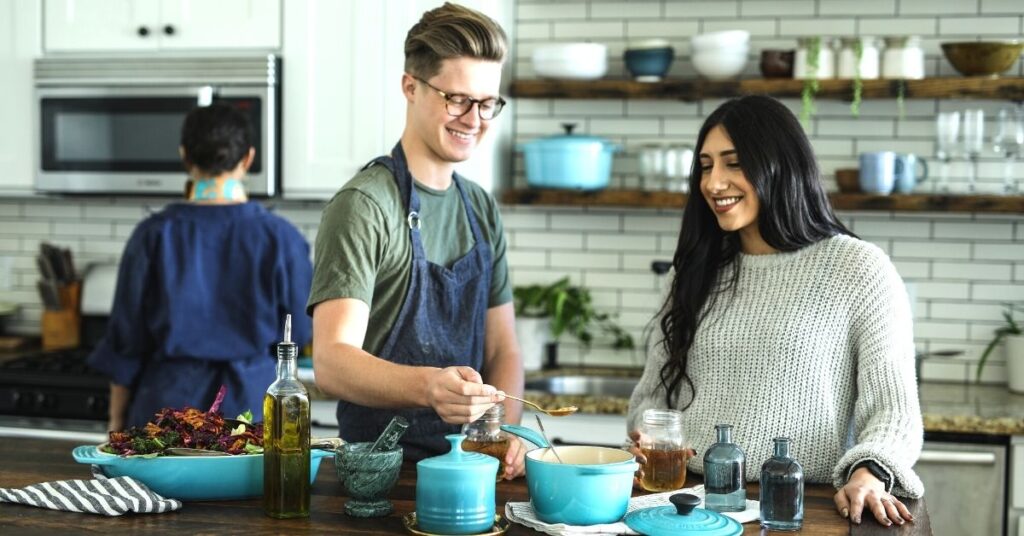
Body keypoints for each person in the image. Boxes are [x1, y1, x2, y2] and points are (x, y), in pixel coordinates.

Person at [626, 95, 923, 527]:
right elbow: (652, 398)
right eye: (706, 166)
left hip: (801, 508)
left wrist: (870, 472)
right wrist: (646, 437)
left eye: (734, 163)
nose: (713, 183)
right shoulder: (693, 272)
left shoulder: (858, 268)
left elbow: (894, 410)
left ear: (780, 165)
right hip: (688, 508)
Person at [307, 2, 525, 474]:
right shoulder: (365, 205)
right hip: (382, 479)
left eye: (487, 103)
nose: (474, 119)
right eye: (457, 99)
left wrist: (506, 429)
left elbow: (503, 348)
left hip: (471, 470)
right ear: (411, 86)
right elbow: (331, 360)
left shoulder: (480, 207)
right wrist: (430, 387)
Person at [88, 103, 313, 431]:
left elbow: (126, 346)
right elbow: (301, 333)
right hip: (252, 413)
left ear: (184, 156)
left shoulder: (152, 235)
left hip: (166, 414)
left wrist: (116, 426)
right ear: (248, 159)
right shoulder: (282, 239)